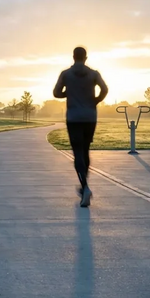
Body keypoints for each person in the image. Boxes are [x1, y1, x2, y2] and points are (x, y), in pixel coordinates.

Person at [53, 46, 108, 207]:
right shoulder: (94, 74)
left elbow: (56, 93)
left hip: (74, 117)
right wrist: (95, 100)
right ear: (86, 58)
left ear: (73, 57)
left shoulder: (66, 74)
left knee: (77, 153)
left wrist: (68, 93)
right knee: (85, 151)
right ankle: (85, 185)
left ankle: (85, 187)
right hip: (90, 117)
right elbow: (105, 89)